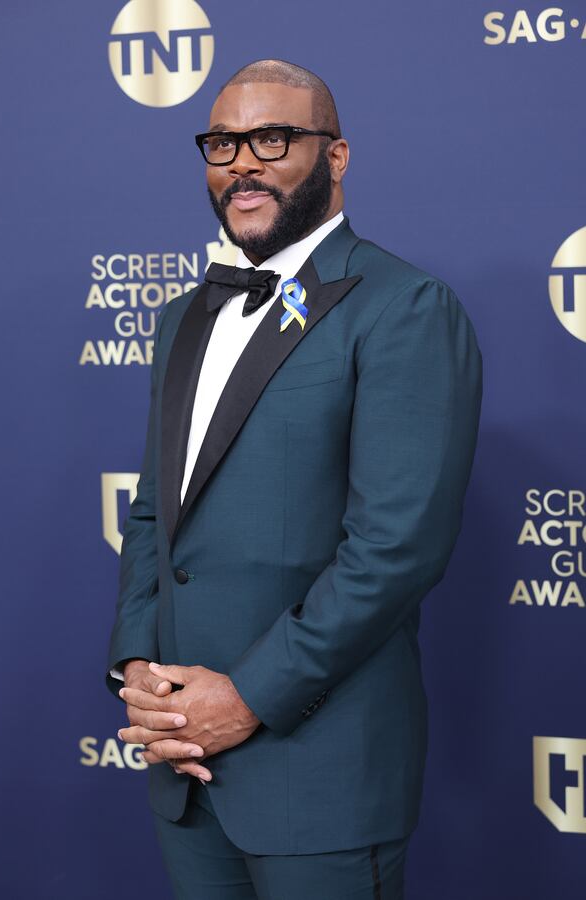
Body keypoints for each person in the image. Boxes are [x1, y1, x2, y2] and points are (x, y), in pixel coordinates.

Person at [108, 58, 483, 900]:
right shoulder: (182, 317)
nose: (241, 163)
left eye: (271, 139)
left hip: (323, 776)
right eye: (222, 142)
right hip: (186, 771)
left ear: (337, 156)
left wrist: (247, 696)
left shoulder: (404, 307)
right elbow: (150, 515)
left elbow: (396, 549)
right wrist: (139, 666)